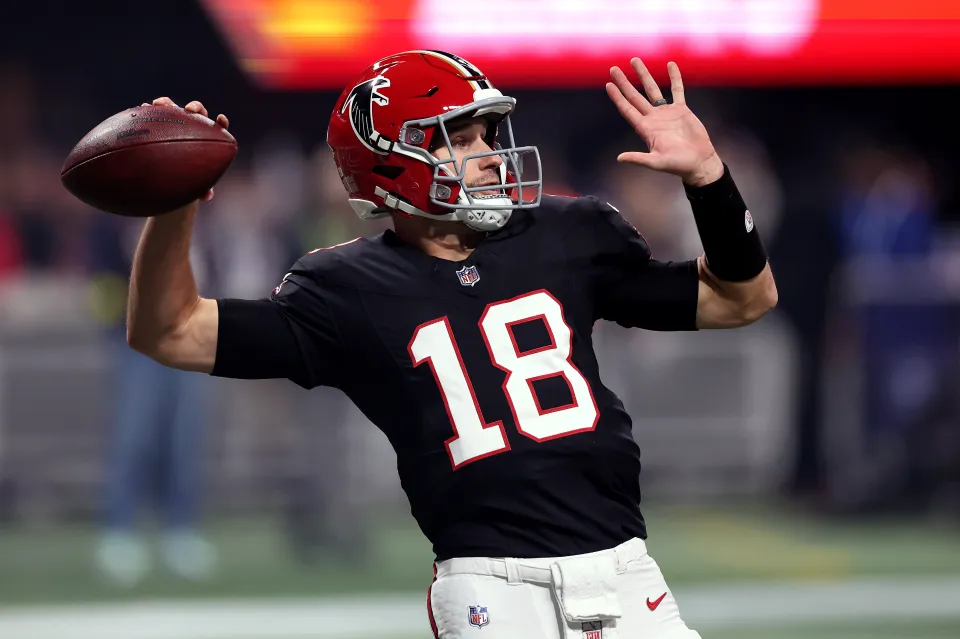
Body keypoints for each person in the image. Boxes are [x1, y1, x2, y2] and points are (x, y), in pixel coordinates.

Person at [126, 51, 776, 638]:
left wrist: (710, 179)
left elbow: (741, 297)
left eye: (488, 133)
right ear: (393, 163)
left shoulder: (565, 233)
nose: (491, 152)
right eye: (460, 139)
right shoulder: (346, 286)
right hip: (493, 591)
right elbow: (170, 329)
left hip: (628, 572)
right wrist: (172, 206)